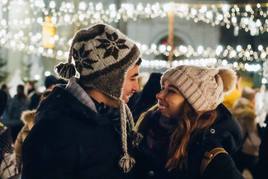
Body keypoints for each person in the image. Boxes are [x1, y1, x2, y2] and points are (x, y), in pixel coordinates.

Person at [22, 23, 141, 179]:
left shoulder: (110, 117)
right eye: (132, 78)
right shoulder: (55, 130)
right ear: (110, 79)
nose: (136, 87)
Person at [133, 65, 243, 179]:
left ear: (193, 103)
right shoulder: (149, 128)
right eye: (163, 88)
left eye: (171, 91)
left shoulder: (208, 153)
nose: (159, 95)